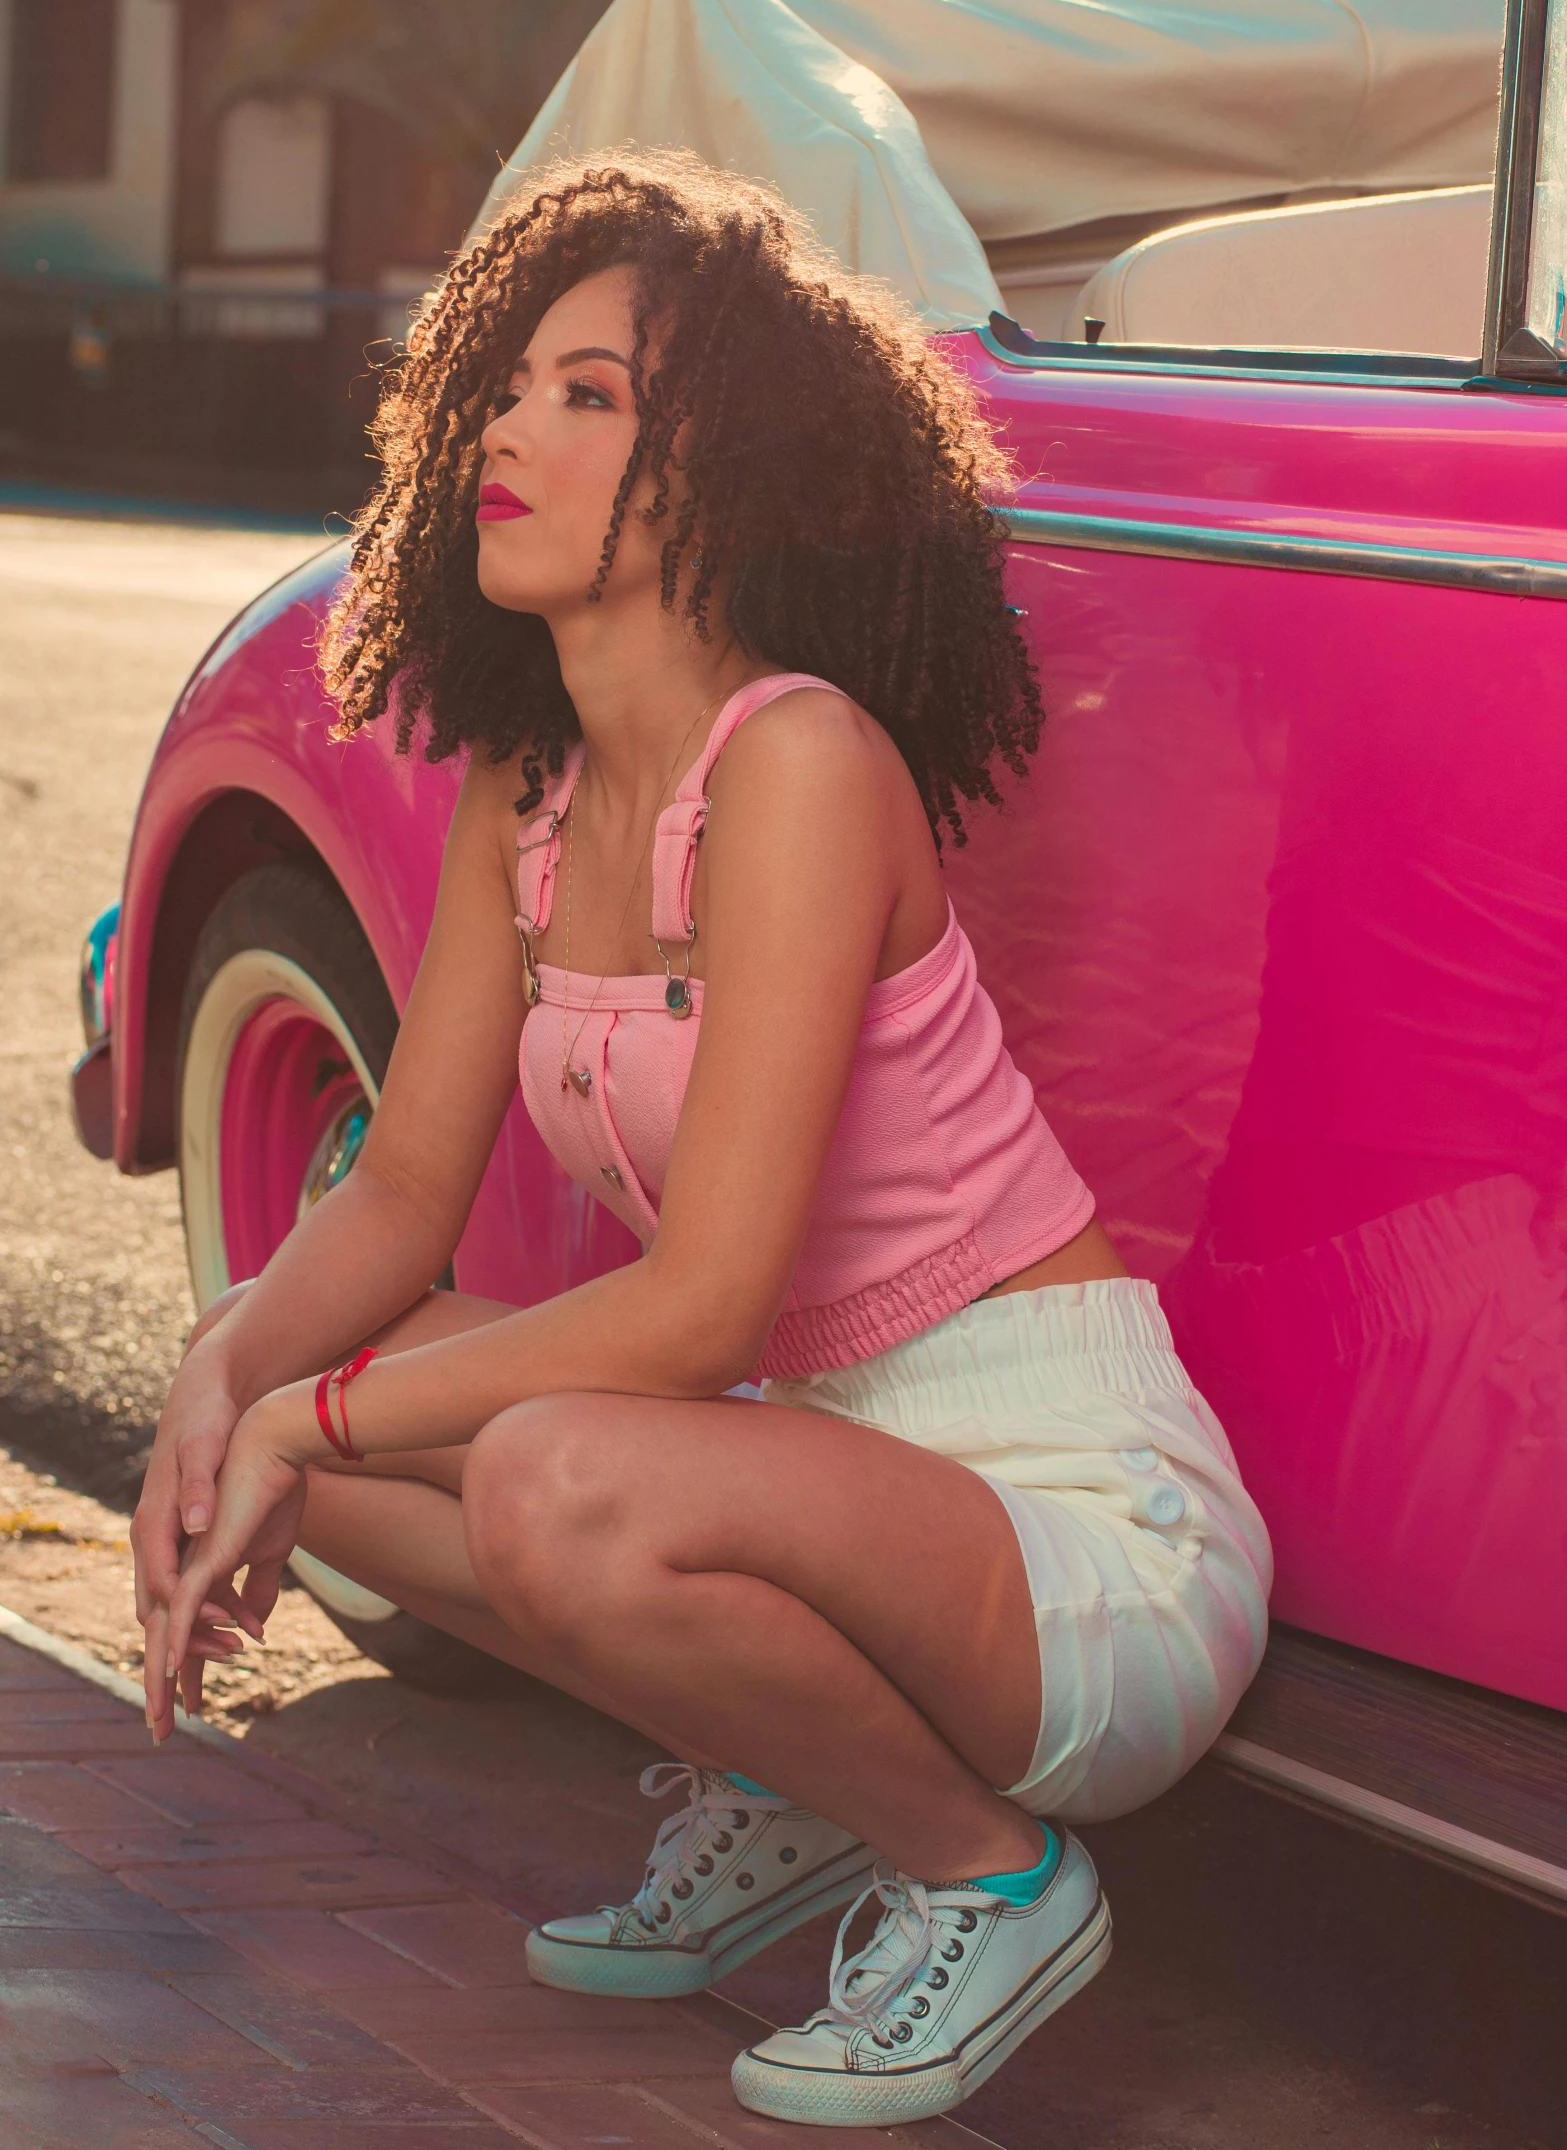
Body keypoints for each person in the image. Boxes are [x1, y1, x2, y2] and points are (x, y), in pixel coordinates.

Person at [134, 156, 1272, 2128]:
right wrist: (218, 1388)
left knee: (548, 1472)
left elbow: (702, 1304)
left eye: (590, 395)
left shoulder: (802, 764)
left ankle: (986, 1868)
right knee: (318, 1404)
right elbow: (401, 1190)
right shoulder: (537, 786)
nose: (507, 425)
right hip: (815, 1476)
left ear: (723, 469)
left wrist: (305, 1419)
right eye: (508, 383)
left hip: (1068, 1531)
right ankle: (790, 1778)